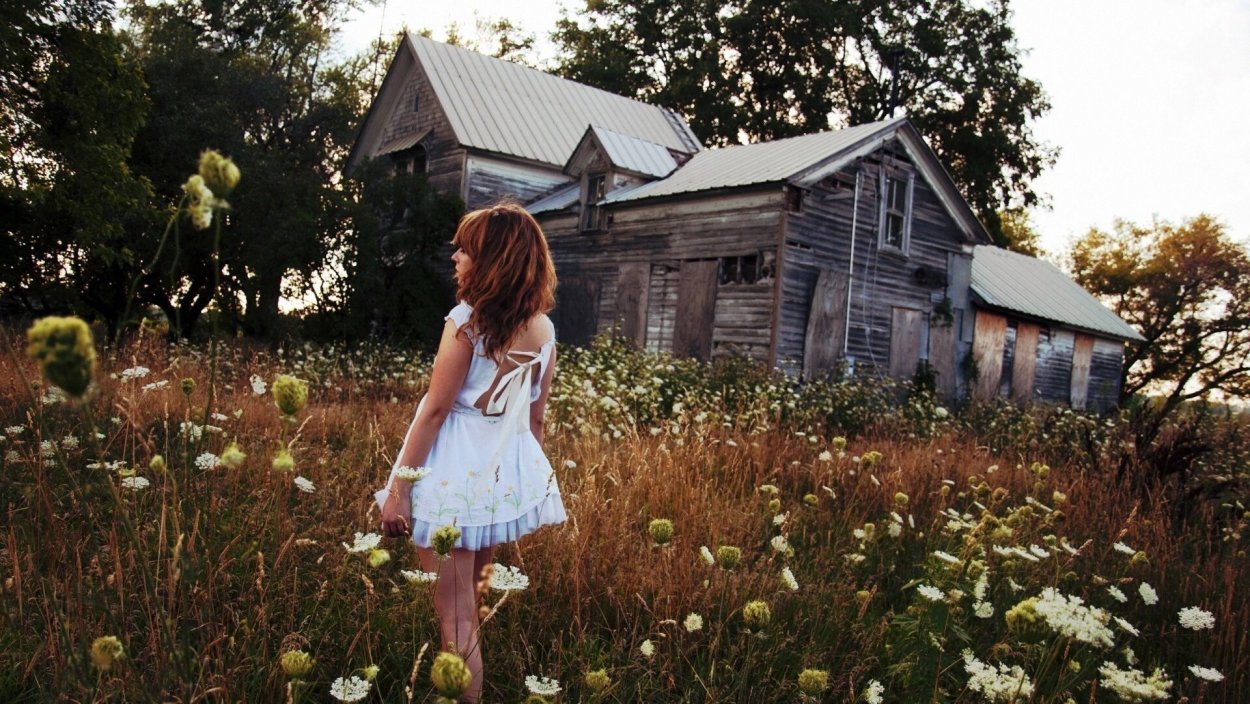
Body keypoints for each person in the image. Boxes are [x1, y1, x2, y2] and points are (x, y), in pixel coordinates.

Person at [376, 203, 567, 702]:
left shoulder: (466, 321)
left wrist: (399, 489)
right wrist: (515, 490)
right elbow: (534, 421)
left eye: (466, 249)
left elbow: (436, 410)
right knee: (470, 614)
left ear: (494, 260)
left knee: (456, 621)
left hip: (449, 475)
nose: (455, 256)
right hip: (494, 479)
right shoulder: (545, 332)